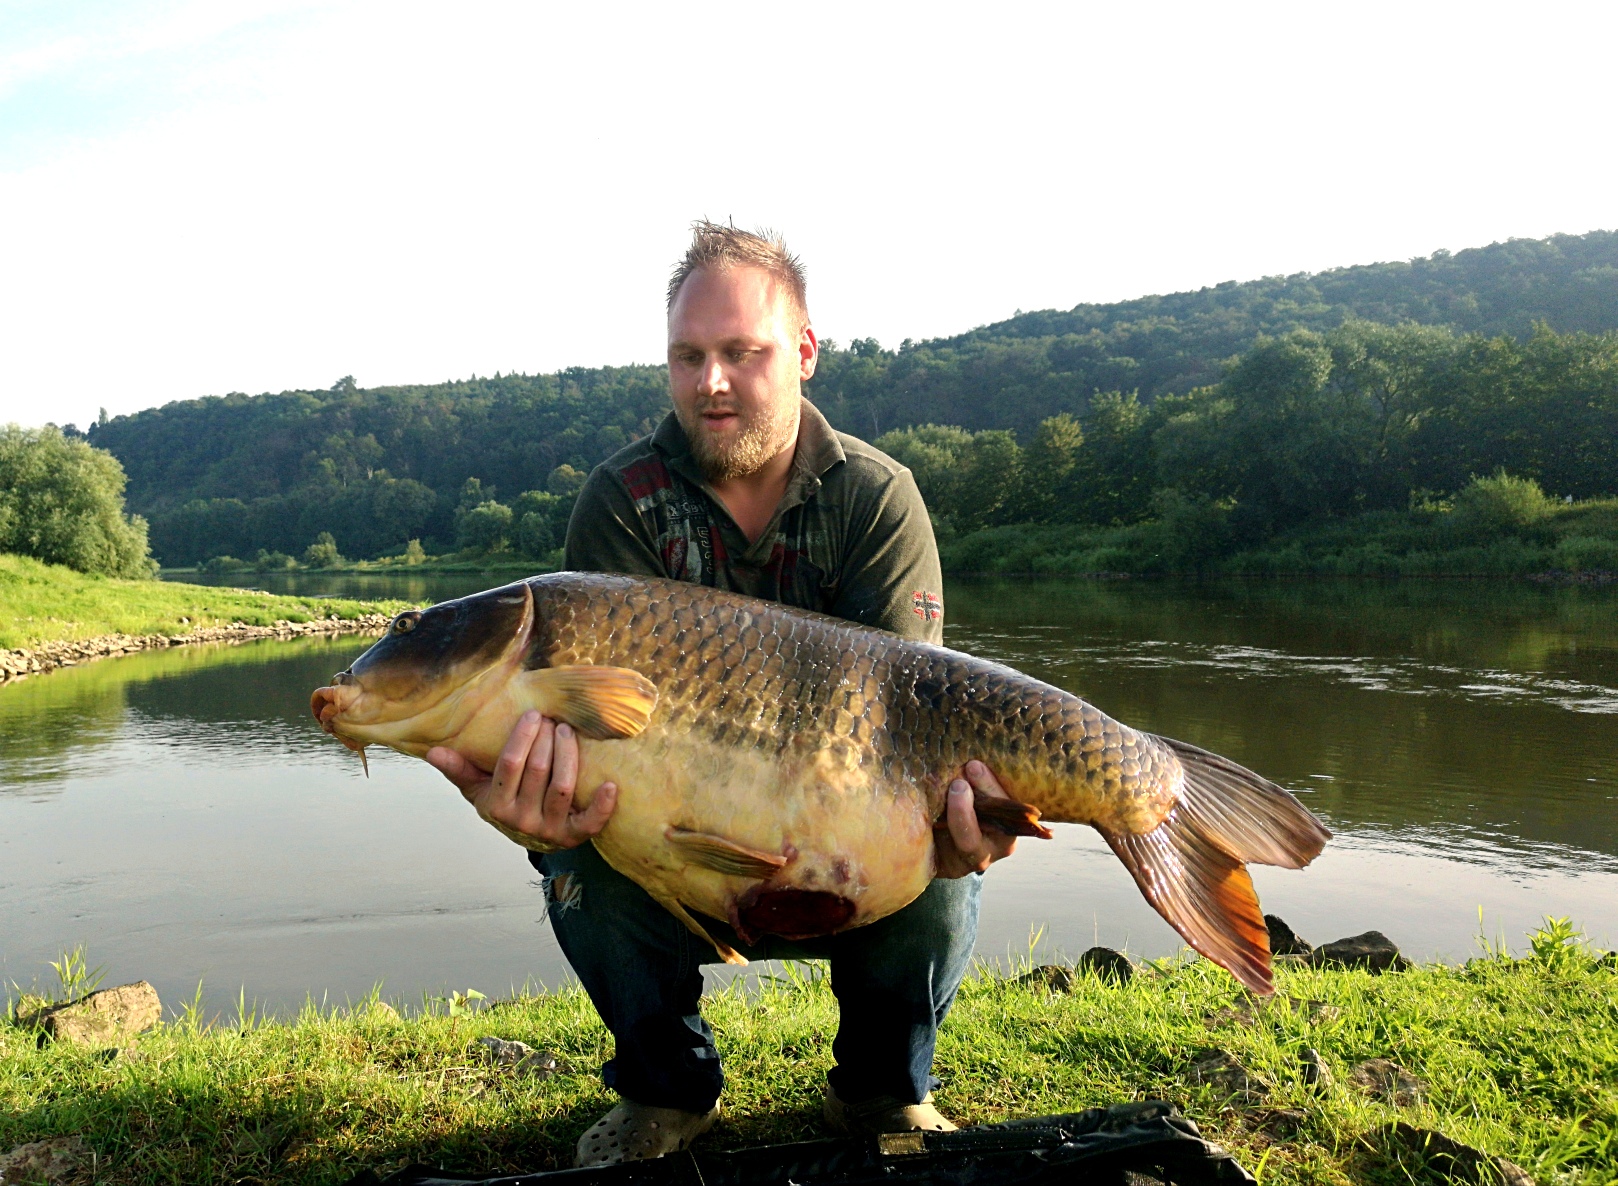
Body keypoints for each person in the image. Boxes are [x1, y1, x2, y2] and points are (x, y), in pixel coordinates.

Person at [427, 223, 1019, 1168]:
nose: (711, 381)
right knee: (574, 864)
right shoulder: (620, 502)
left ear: (806, 353)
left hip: (845, 836)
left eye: (743, 353)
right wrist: (535, 811)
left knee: (946, 860)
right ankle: (666, 1092)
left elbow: (914, 719)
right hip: (674, 838)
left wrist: (961, 820)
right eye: (689, 356)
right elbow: (589, 736)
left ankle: (883, 1090)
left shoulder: (875, 497)